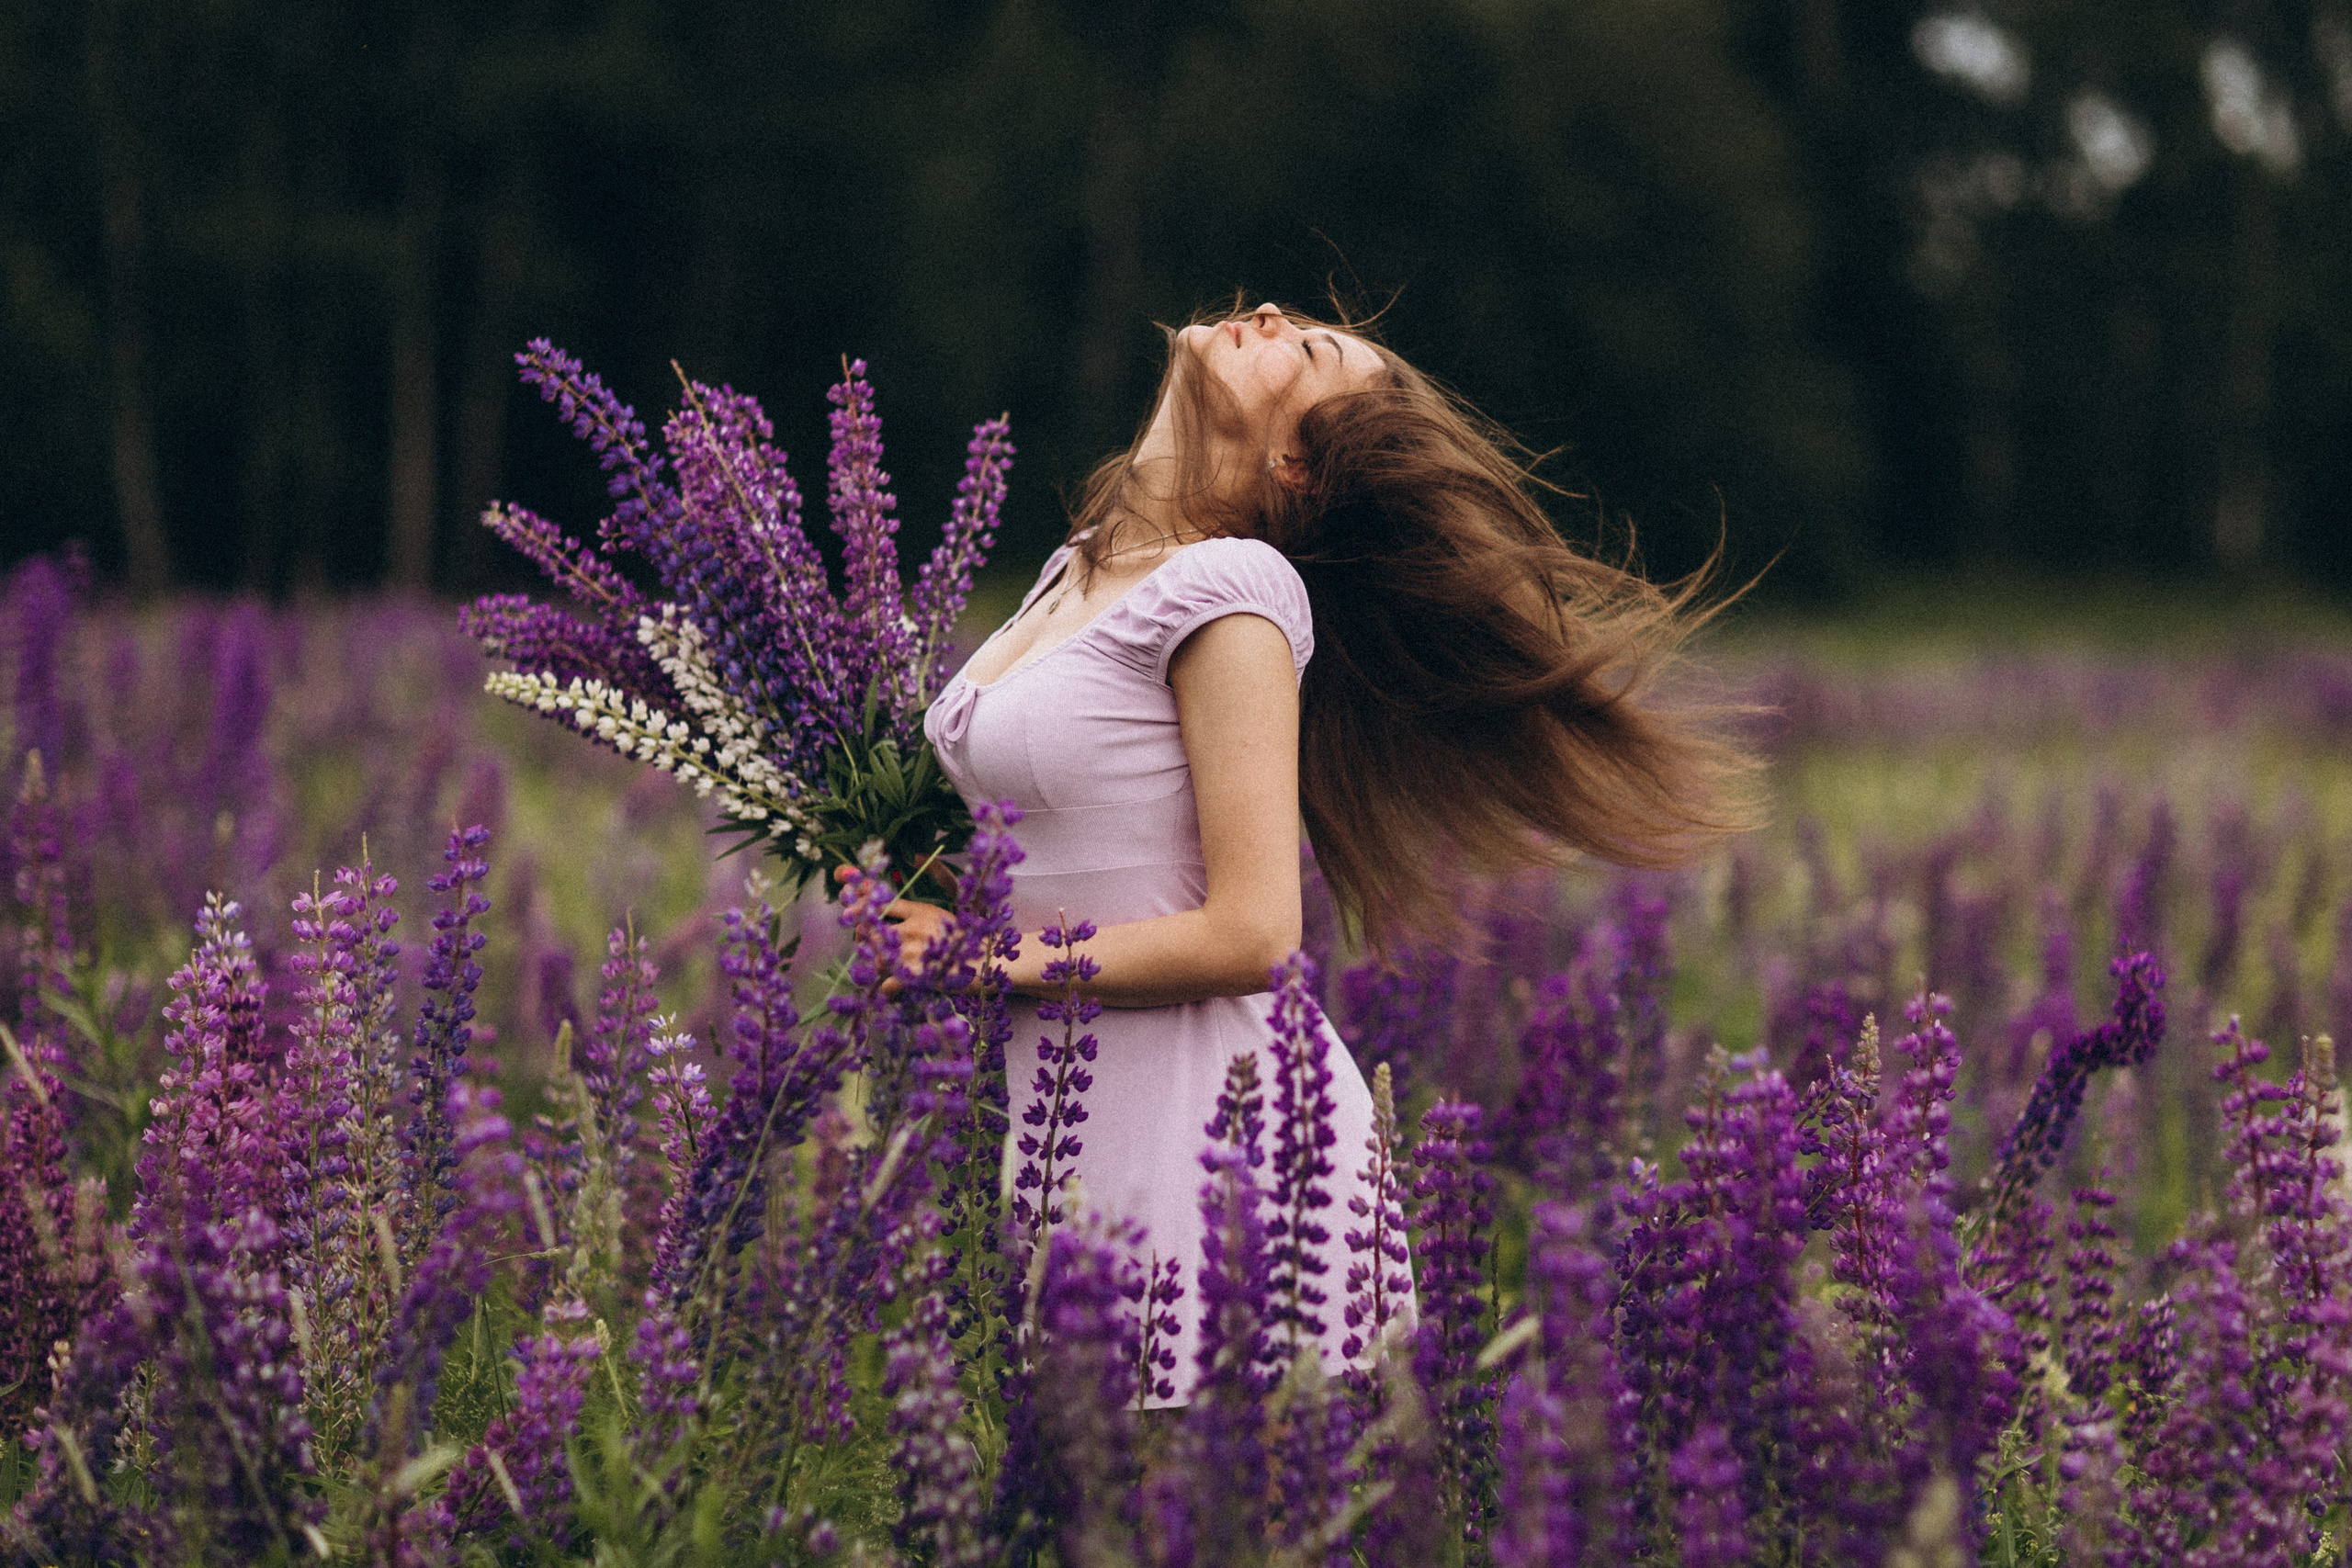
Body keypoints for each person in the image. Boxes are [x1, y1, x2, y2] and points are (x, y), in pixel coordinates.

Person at [892, 299, 1750, 1404]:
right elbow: (1070, 837)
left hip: (1211, 1156)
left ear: (1296, 463)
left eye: (1305, 352)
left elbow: (1253, 933)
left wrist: (980, 963)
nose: (1269, 314)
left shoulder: (1234, 591)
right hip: (1060, 1126)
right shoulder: (1079, 570)